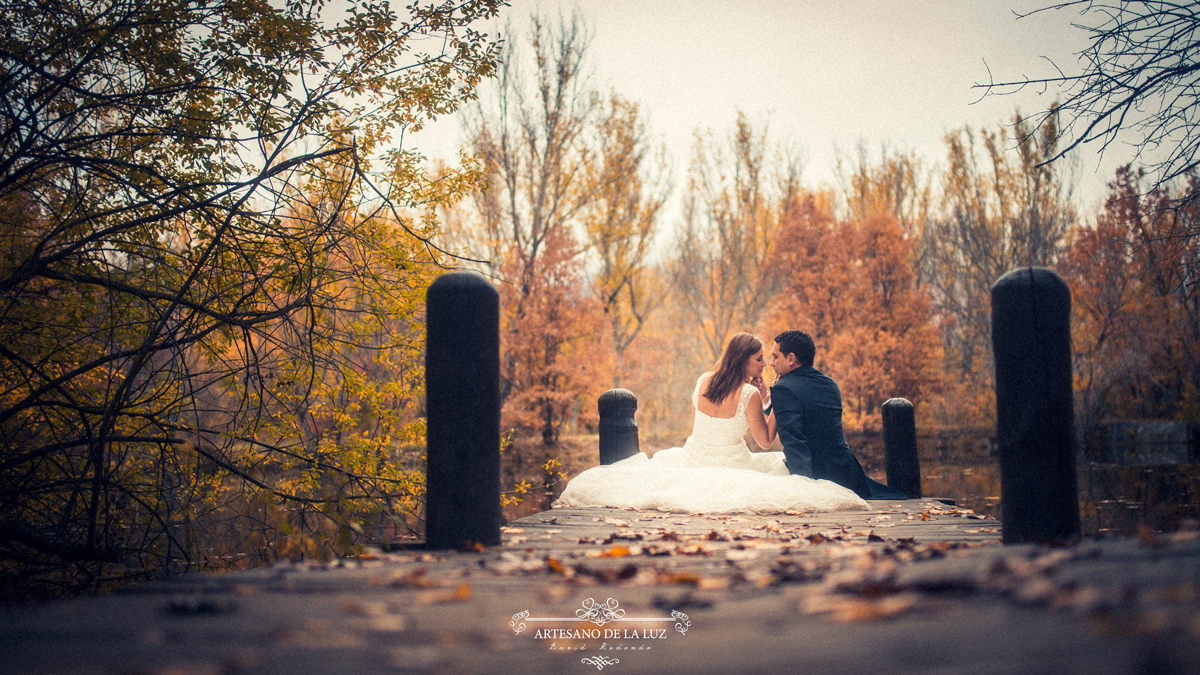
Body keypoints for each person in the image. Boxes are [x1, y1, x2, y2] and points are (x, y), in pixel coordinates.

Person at [554, 333, 867, 513]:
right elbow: (765, 442)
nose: (764, 364)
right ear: (745, 361)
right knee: (776, 466)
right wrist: (775, 403)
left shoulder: (703, 380)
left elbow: (696, 427)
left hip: (692, 458)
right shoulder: (749, 395)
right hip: (733, 464)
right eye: (759, 359)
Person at [769, 330, 909, 500]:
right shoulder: (830, 384)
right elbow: (812, 418)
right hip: (847, 473)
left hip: (816, 475)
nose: (771, 363)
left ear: (791, 359)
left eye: (775, 357)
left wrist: (802, 489)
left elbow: (794, 443)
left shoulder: (783, 388)